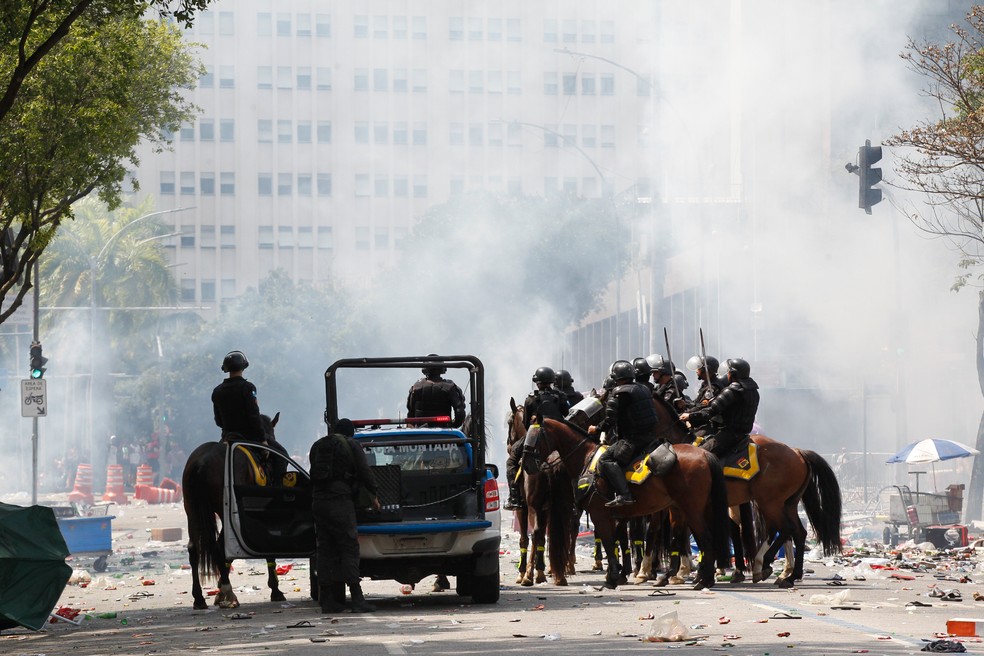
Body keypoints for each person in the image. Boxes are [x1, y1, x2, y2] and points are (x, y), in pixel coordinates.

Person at [309, 418, 380, 613]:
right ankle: (357, 598)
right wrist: (373, 495)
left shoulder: (318, 445)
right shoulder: (351, 444)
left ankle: (327, 599)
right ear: (351, 433)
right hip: (340, 501)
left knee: (324, 550)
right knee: (349, 547)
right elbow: (365, 473)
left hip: (318, 501)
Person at [588, 360, 658, 507]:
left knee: (605, 460)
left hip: (632, 439)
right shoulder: (643, 388)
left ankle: (624, 495)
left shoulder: (619, 393)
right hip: (651, 437)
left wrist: (596, 428)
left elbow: (609, 421)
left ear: (616, 377)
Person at [504, 366, 570, 511]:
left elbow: (527, 424)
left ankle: (514, 497)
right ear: (552, 381)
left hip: (536, 436)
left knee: (511, 461)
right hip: (559, 437)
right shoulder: (561, 397)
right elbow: (566, 415)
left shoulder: (530, 400)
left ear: (537, 382)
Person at [680, 358, 760, 458]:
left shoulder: (732, 390)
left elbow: (711, 411)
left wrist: (690, 416)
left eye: (728, 372)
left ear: (732, 374)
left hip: (728, 433)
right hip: (743, 432)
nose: (727, 375)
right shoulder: (753, 390)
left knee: (700, 455)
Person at [212, 350, 265, 444]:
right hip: (248, 438)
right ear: (243, 366)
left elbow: (218, 421)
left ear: (226, 368)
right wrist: (262, 439)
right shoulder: (248, 387)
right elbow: (254, 416)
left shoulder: (217, 391)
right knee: (278, 455)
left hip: (227, 438)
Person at [406, 356, 466, 428]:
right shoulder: (450, 387)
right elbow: (460, 413)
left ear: (424, 369)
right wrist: (453, 426)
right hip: (444, 433)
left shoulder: (416, 387)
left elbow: (410, 414)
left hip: (420, 433)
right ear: (443, 369)